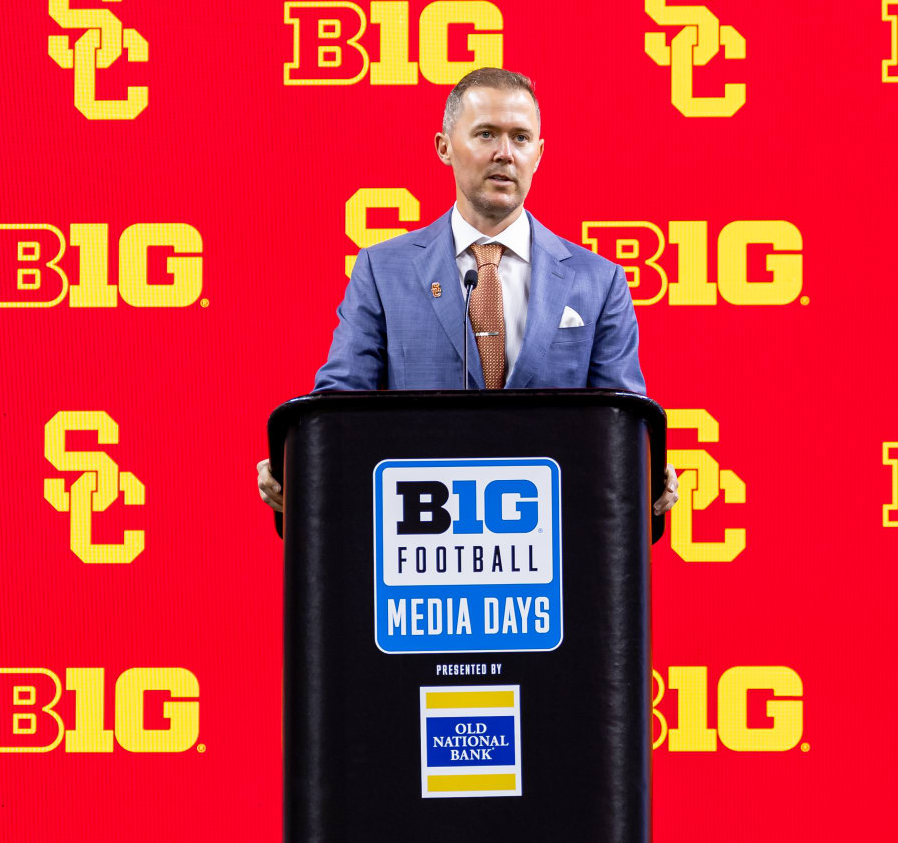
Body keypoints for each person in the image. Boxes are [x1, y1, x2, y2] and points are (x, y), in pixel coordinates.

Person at [258, 67, 678, 516]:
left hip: (556, 540)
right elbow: (338, 407)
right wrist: (299, 464)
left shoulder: (600, 281)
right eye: (485, 134)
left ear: (539, 154)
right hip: (424, 537)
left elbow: (621, 422)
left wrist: (646, 468)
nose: (504, 153)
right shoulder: (382, 271)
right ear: (444, 147)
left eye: (520, 138)